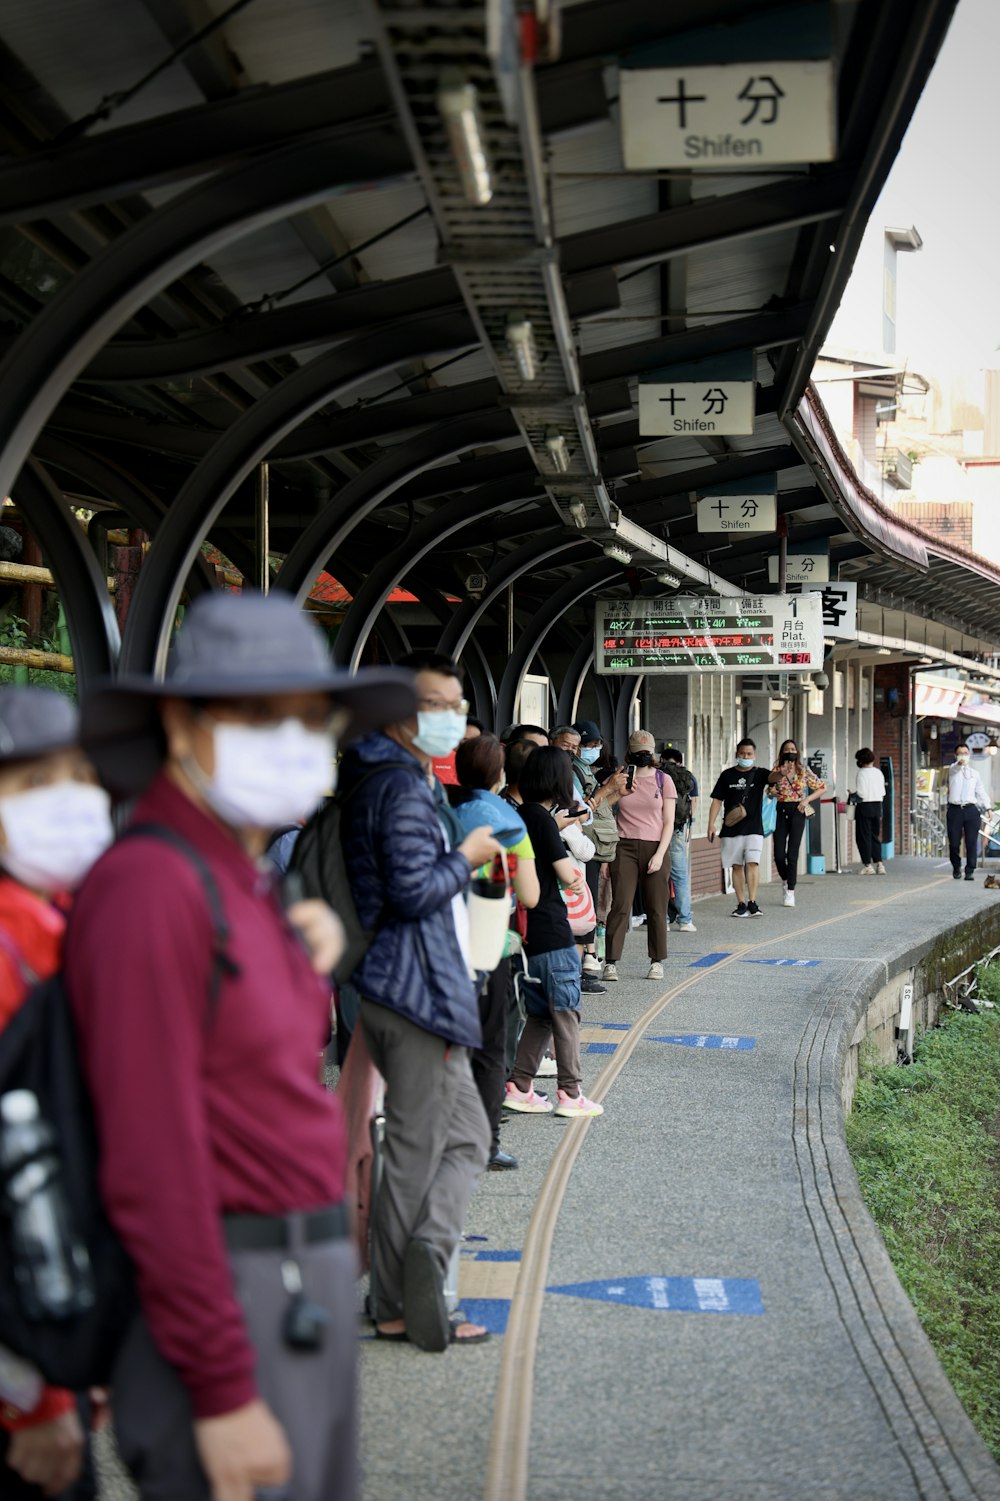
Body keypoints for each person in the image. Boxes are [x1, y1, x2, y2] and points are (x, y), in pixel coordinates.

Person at [69, 591, 415, 1501]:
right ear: (181, 723)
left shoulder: (240, 876)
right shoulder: (151, 883)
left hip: (294, 1280)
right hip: (233, 1292)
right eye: (261, 716)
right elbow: (151, 1157)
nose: (295, 739)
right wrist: (221, 1390)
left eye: (312, 718)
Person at [340, 650, 501, 1349]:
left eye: (455, 704)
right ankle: (405, 1290)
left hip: (404, 985)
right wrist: (466, 856)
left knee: (466, 1136)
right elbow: (411, 892)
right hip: (416, 990)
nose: (449, 718)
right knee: (415, 1148)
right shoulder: (400, 788)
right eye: (434, 704)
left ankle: (414, 1269)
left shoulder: (389, 778)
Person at [0, 687, 113, 1501]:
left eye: (81, 776)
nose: (71, 800)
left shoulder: (61, 922)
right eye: (33, 783)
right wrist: (28, 1392)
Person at [450, 734, 539, 1172]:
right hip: (489, 947)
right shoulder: (509, 822)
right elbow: (531, 894)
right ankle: (483, 1145)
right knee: (488, 1048)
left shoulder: (443, 815)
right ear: (500, 775)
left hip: (440, 943)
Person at [503, 748, 604, 1118]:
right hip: (550, 927)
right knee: (566, 1011)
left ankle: (519, 1085)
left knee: (542, 1013)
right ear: (558, 781)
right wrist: (577, 883)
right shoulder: (541, 820)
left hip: (526, 931)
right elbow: (567, 872)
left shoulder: (521, 816)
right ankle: (570, 1093)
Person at [603, 730, 676, 982]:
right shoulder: (620, 777)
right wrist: (607, 854)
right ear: (630, 751)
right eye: (639, 751)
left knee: (657, 907)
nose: (644, 755)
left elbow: (669, 822)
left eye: (648, 751)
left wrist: (659, 854)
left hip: (656, 845)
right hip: (623, 846)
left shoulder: (663, 779)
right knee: (620, 904)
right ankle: (610, 962)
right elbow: (605, 810)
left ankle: (657, 961)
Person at [707, 737, 770, 917]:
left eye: (749, 754)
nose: (745, 756)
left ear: (754, 755)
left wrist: (782, 771)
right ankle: (741, 903)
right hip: (732, 828)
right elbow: (717, 801)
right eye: (742, 753)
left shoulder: (760, 773)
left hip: (754, 828)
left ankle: (753, 902)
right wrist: (711, 824)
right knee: (736, 866)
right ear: (736, 754)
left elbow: (773, 778)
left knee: (753, 862)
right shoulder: (727, 775)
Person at [767, 739, 825, 907]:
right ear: (782, 752)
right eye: (787, 749)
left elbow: (822, 787)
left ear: (797, 752)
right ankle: (785, 880)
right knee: (778, 854)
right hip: (780, 810)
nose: (790, 751)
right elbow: (769, 789)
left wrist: (807, 799)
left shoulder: (803, 771)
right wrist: (773, 792)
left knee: (792, 853)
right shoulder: (777, 770)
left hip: (798, 811)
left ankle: (790, 891)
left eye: (793, 749)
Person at [660, 745, 698, 932]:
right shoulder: (687, 776)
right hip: (676, 830)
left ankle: (664, 919)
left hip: (655, 830)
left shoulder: (657, 774)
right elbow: (694, 803)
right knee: (680, 877)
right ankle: (685, 920)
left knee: (660, 876)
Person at [946, 741, 989, 881]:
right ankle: (956, 866)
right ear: (955, 755)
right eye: (960, 754)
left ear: (969, 754)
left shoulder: (975, 773)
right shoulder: (952, 769)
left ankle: (970, 869)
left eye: (965, 753)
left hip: (971, 810)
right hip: (955, 810)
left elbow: (980, 791)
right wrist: (960, 763)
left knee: (971, 841)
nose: (963, 756)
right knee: (954, 842)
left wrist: (987, 807)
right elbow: (956, 769)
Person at [853, 748, 886, 876]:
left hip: (864, 806)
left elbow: (861, 793)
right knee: (874, 836)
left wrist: (852, 794)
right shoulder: (878, 772)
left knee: (863, 836)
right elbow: (883, 792)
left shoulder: (861, 773)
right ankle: (880, 864)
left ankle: (867, 865)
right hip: (877, 805)